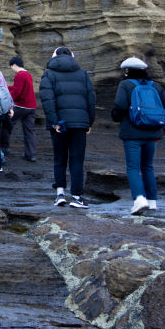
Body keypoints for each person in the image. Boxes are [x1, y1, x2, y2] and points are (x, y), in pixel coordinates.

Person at [112, 56, 165, 215]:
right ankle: (152, 202)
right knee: (148, 167)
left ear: (126, 71)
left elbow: (120, 105)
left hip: (132, 134)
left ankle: (139, 200)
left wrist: (116, 117)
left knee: (133, 167)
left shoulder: (125, 84)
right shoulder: (156, 86)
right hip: (153, 134)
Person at [39, 46, 96, 209]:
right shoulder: (82, 74)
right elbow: (91, 99)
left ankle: (60, 195)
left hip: (60, 125)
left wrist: (54, 121)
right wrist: (89, 122)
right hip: (79, 123)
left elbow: (47, 99)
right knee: (77, 160)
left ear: (54, 56)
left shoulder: (49, 73)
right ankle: (77, 197)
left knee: (59, 158)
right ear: (72, 56)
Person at [7, 56, 38, 162]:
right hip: (32, 107)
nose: (12, 69)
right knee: (29, 131)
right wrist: (8, 87)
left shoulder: (19, 75)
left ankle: (4, 147)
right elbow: (19, 88)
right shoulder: (28, 74)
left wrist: (7, 96)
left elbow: (17, 92)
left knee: (6, 124)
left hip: (21, 106)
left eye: (11, 67)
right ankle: (31, 155)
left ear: (14, 65)